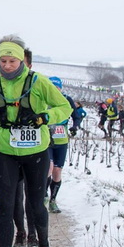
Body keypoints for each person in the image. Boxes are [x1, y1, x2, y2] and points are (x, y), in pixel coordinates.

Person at [0, 35, 72, 247]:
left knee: (34, 200)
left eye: (12, 60)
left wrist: (44, 118)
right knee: (6, 205)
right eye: (3, 60)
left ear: (22, 60)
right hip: (6, 150)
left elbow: (64, 107)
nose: (7, 65)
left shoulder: (38, 81)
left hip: (36, 152)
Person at [45, 76, 75, 215]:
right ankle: (43, 195)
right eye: (53, 86)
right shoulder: (44, 99)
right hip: (47, 141)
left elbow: (77, 114)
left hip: (62, 141)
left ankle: (53, 200)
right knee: (48, 168)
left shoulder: (66, 99)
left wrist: (75, 126)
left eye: (57, 87)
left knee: (57, 171)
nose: (55, 89)